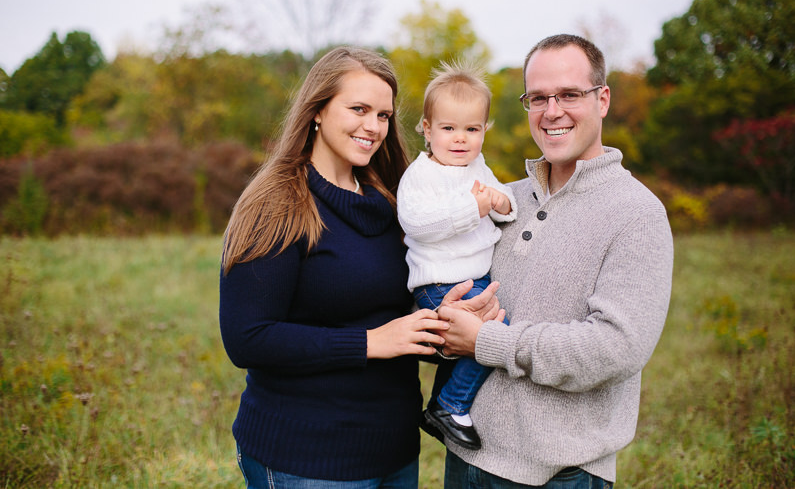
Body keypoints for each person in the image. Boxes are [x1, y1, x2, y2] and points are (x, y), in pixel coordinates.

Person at [436, 34, 674, 488]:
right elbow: (451, 296)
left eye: (569, 95)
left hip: (559, 474)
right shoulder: (503, 199)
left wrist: (487, 342)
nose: (552, 111)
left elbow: (614, 348)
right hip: (467, 459)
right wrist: (449, 327)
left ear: (602, 99)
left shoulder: (638, 215)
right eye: (538, 98)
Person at [218, 46, 461, 488]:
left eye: (384, 115)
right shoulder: (278, 203)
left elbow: (394, 319)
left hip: (394, 451)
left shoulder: (392, 201)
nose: (373, 127)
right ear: (317, 111)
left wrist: (447, 322)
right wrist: (368, 343)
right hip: (305, 458)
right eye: (358, 109)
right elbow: (246, 338)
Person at [397, 61, 517, 451]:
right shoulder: (421, 176)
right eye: (448, 128)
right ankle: (450, 404)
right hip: (438, 281)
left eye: (472, 129)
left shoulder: (477, 166)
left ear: (484, 131)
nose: (460, 139)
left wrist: (500, 202)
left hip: (472, 278)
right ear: (427, 129)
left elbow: (504, 205)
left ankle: (440, 406)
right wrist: (473, 210)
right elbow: (417, 223)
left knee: (486, 329)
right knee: (490, 334)